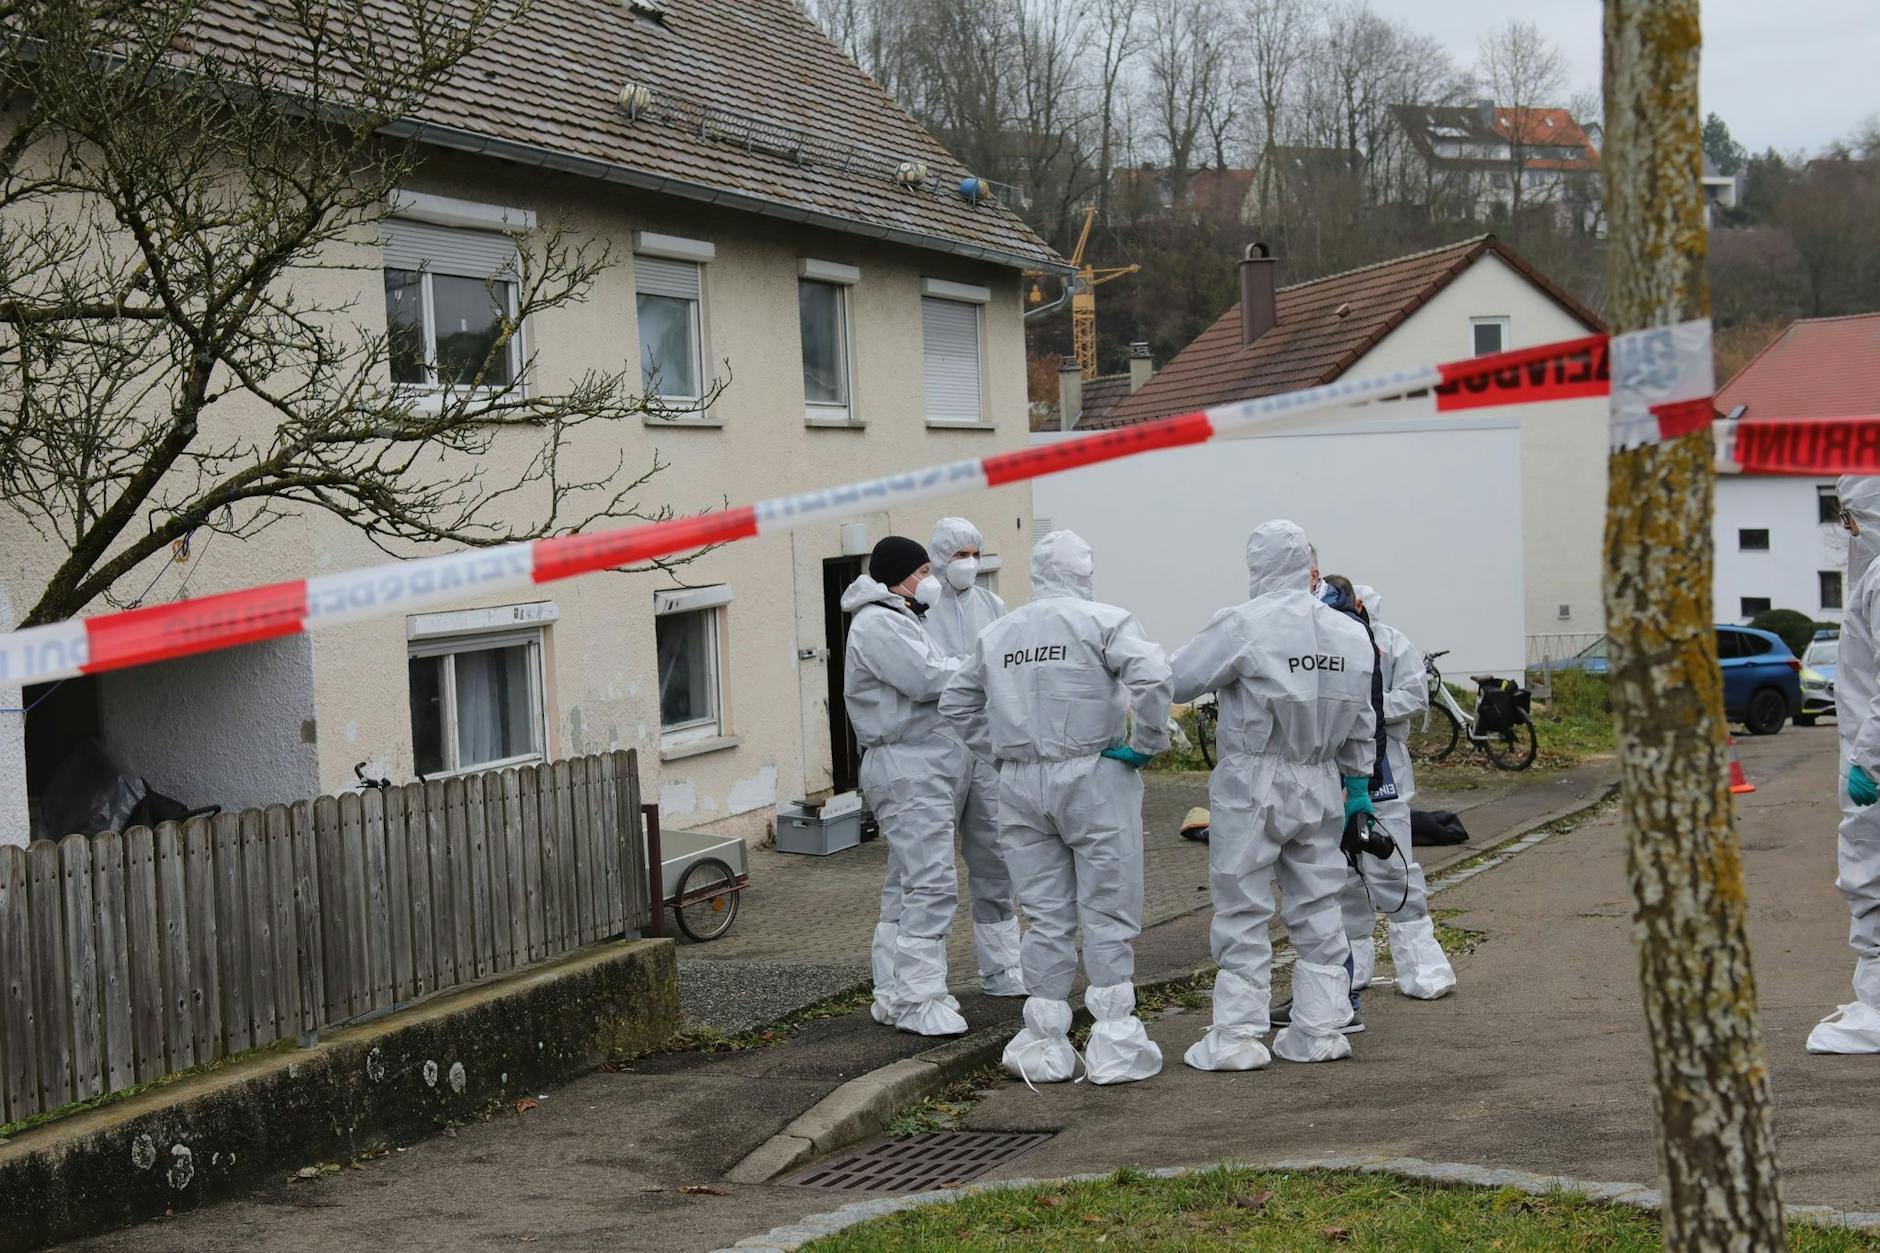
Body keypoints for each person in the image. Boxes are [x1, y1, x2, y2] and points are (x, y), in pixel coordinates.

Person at [940, 530, 1172, 1084]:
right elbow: (1156, 675)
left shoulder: (1000, 632)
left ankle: (1045, 1042)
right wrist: (1145, 744)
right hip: (1094, 773)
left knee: (1043, 915)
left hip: (1021, 782)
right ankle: (1113, 1040)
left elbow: (956, 701)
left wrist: (997, 753)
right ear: (1083, 573)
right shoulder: (1103, 621)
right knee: (1107, 909)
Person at [1171, 522, 1376, 1069]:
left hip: (1253, 779)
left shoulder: (1242, 624)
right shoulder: (1352, 634)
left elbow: (1178, 680)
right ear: (1306, 564)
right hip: (1321, 778)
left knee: (1242, 903)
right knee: (1318, 901)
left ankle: (1238, 1036)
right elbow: (1363, 720)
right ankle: (1321, 1028)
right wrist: (1357, 785)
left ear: (1256, 565)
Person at [842, 535, 968, 1036]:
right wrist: (979, 667)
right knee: (932, 883)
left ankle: (893, 992)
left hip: (919, 765)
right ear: (896, 576)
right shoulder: (878, 625)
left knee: (905, 883)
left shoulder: (900, 618)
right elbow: (926, 680)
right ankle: (919, 998)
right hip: (906, 767)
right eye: (920, 572)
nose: (929, 581)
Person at [1316, 579, 1456, 1021]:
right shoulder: (1322, 640)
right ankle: (1353, 967)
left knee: (1392, 867)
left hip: (1383, 771)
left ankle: (1421, 965)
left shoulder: (1392, 643)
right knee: (1343, 878)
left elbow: (1413, 696)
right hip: (1330, 769)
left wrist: (1364, 710)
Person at [917, 518, 1024, 997]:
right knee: (927, 869)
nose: (968, 562)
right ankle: (918, 982)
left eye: (973, 553)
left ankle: (1003, 970)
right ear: (938, 557)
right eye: (959, 554)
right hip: (935, 744)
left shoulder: (991, 603)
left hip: (982, 743)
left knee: (995, 855)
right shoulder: (920, 607)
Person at [1810, 477, 1880, 1052]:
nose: (1847, 528)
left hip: (1873, 767)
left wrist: (1870, 762)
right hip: (1868, 756)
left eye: (1852, 515)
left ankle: (1879, 1002)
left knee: (1869, 873)